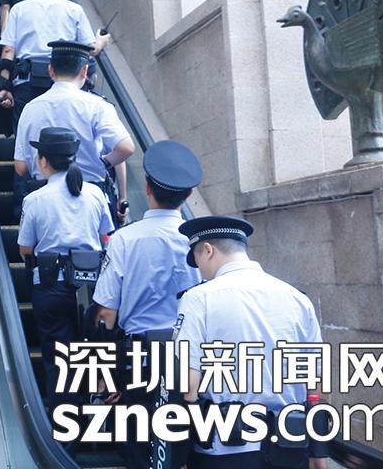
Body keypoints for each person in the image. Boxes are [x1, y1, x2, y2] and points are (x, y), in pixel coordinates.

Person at [175, 216, 327, 469]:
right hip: (290, 447)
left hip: (224, 450)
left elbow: (189, 385)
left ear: (208, 250)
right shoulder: (298, 299)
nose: (199, 269)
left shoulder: (198, 298)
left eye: (198, 258)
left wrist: (179, 454)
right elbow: (316, 384)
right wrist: (318, 453)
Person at [91, 139, 204, 469]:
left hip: (138, 360)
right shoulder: (201, 243)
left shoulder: (125, 239)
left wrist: (103, 375)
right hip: (188, 360)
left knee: (140, 446)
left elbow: (106, 313)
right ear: (189, 195)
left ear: (147, 188)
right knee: (183, 447)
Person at [17, 127, 114, 412]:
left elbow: (25, 248)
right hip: (92, 285)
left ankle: (66, 428)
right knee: (95, 353)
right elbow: (105, 236)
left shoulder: (35, 199)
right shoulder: (95, 193)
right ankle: (99, 418)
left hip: (51, 286)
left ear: (43, 160)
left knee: (59, 361)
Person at [13, 40, 135, 220]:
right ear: (85, 71)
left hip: (45, 198)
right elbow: (127, 148)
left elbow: (21, 167)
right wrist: (103, 162)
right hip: (90, 196)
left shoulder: (30, 109)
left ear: (50, 70)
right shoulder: (98, 106)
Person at [0, 0, 110, 127]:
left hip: (27, 84)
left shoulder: (19, 9)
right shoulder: (74, 10)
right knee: (62, 133)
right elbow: (90, 49)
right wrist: (101, 41)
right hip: (64, 82)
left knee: (27, 134)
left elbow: (8, 51)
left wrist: (4, 86)